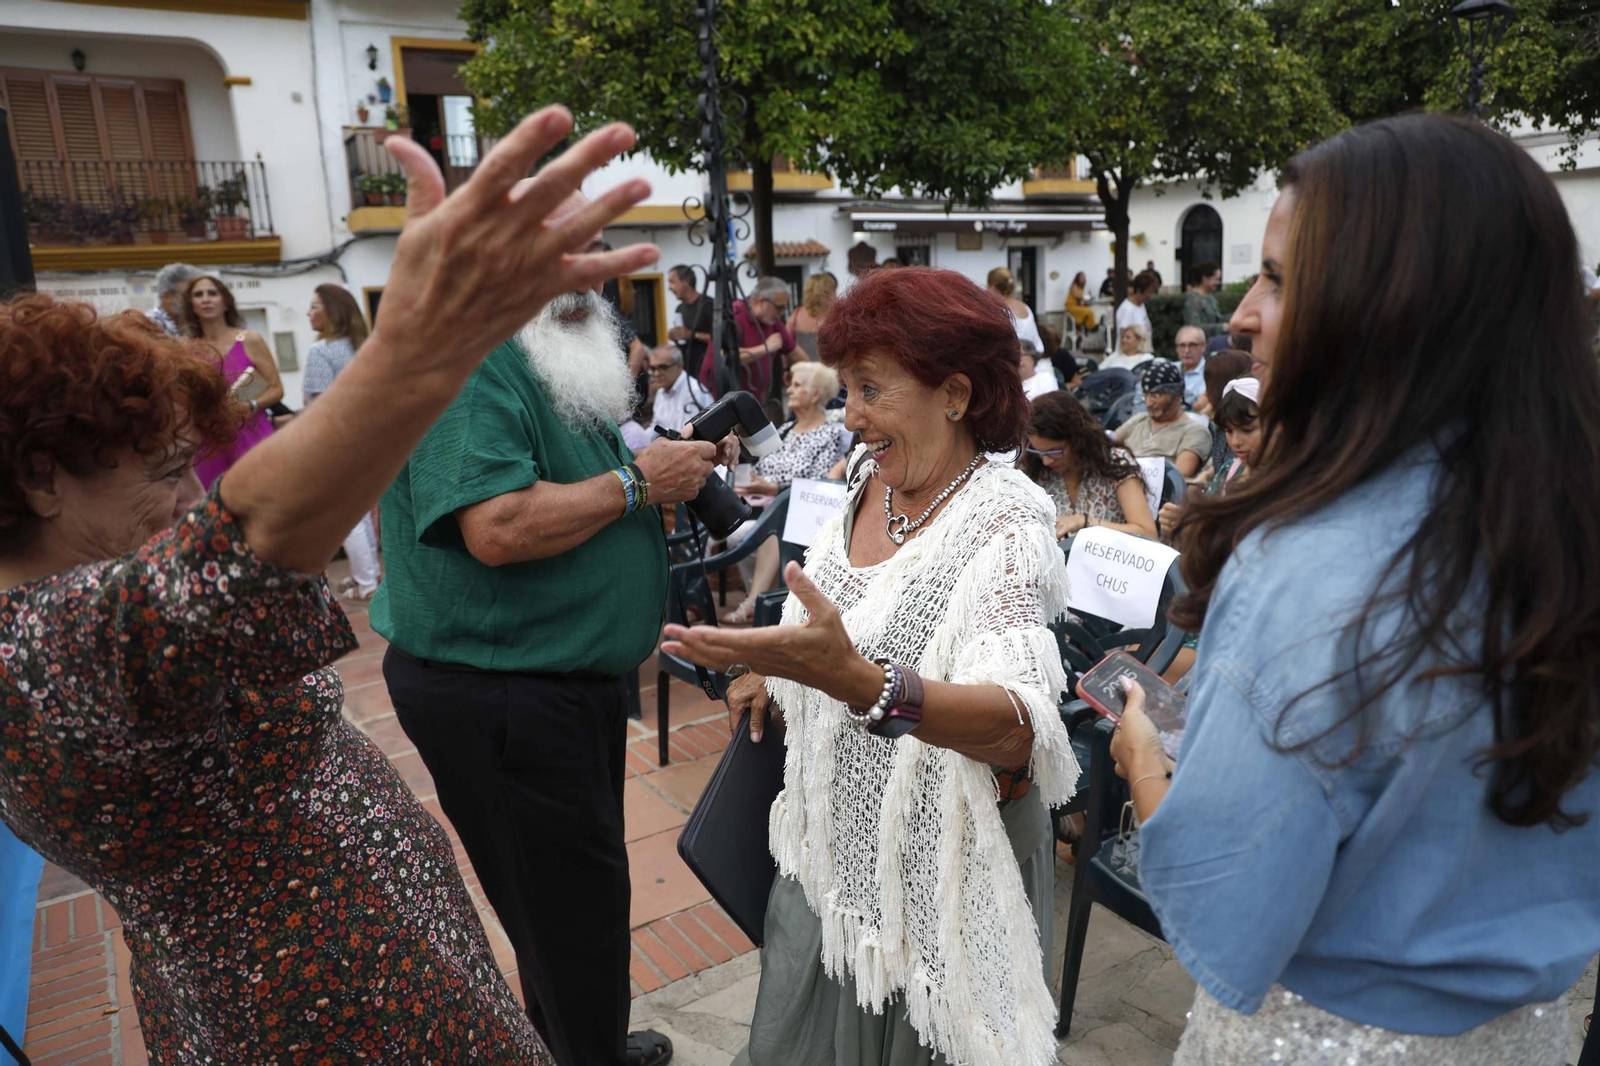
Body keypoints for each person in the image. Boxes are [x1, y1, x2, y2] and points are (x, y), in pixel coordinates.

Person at [0, 104, 661, 1064]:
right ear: (39, 478)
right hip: (319, 1016)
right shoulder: (44, 651)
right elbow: (252, 534)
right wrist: (423, 347)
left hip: (384, 978)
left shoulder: (83, 612)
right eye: (165, 472)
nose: (190, 498)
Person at [1111, 113, 1600, 1066]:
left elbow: (1221, 912)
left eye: (1280, 279)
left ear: (1392, 307)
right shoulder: (1564, 526)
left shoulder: (1306, 569)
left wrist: (1142, 760)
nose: (1244, 314)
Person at [661, 266, 1079, 1066]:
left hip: (936, 881)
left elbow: (1018, 730)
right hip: (829, 853)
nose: (850, 416)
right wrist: (774, 671)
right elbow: (830, 621)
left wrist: (862, 684)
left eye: (870, 390)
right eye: (846, 389)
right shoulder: (868, 481)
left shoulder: (1006, 522)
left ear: (954, 394)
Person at [374, 180, 738, 1066]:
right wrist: (639, 485)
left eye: (594, 248)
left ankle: (580, 1043)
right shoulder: (473, 353)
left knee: (568, 903)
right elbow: (498, 526)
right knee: (569, 913)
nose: (588, 271)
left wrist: (647, 475)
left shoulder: (539, 345)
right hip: (503, 691)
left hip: (549, 678)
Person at [718, 361, 844, 624]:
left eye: (796, 385)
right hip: (764, 507)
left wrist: (774, 488)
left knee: (772, 530)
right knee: (736, 534)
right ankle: (765, 599)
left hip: (801, 513)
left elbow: (819, 484)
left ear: (815, 395)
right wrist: (758, 482)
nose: (789, 390)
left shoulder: (829, 433)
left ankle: (755, 601)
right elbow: (762, 467)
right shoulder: (785, 430)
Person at [303, 283, 382, 600]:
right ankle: (369, 573)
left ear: (332, 311)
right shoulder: (368, 346)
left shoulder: (321, 351)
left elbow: (321, 404)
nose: (308, 313)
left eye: (314, 306)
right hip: (371, 435)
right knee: (365, 510)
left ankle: (367, 583)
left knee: (348, 515)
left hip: (338, 439)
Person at [183, 275, 282, 489]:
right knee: (215, 503)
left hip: (251, 433)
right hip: (210, 442)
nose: (206, 299)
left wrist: (249, 405)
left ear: (225, 301)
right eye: (198, 295)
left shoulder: (250, 340)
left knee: (262, 494)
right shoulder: (188, 350)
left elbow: (276, 388)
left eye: (212, 293)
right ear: (191, 305)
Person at [1022, 391, 1156, 539]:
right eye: (1039, 451)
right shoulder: (1036, 470)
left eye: (1054, 451)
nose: (1046, 461)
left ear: (1077, 440)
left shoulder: (1115, 463)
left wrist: (1085, 522)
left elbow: (1147, 533)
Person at [699, 275, 794, 400]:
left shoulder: (771, 320)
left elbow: (793, 350)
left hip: (750, 398)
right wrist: (766, 347)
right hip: (720, 396)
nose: (782, 313)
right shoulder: (735, 314)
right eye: (779, 307)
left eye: (784, 308)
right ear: (761, 301)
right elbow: (727, 357)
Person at [1115, 360, 1209, 477]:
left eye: (1156, 396)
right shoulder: (1138, 420)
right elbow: (1106, 443)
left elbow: (1179, 477)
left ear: (1177, 395)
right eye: (1146, 395)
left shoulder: (1194, 431)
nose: (1149, 403)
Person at [647, 342, 714, 436]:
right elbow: (655, 428)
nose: (656, 373)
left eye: (663, 367)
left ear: (679, 366)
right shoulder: (661, 391)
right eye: (653, 368)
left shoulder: (695, 392)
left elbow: (696, 434)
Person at [667, 264, 713, 379]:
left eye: (672, 282)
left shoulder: (708, 305)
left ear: (686, 282)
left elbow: (720, 338)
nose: (669, 288)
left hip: (708, 371)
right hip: (688, 372)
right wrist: (674, 336)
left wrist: (692, 334)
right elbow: (683, 338)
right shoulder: (679, 309)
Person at [987, 266, 1044, 353]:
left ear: (993, 287)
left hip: (1014, 356)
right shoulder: (1025, 307)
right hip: (1033, 354)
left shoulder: (998, 310)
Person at [787, 271, 836, 362]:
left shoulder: (796, 315)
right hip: (827, 368)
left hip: (801, 368)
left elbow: (786, 344)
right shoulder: (834, 317)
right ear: (829, 292)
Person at [143, 261, 200, 338]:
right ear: (167, 297)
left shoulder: (190, 324)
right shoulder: (149, 323)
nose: (194, 300)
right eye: (188, 295)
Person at [1182, 261, 1227, 336]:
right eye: (1216, 279)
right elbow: (1194, 326)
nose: (1218, 283)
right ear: (1204, 279)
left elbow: (1217, 319)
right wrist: (1221, 328)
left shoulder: (1210, 297)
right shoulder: (1193, 299)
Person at [1114, 270, 1158, 336]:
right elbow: (1124, 337)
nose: (1151, 297)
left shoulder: (1141, 305)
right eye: (1149, 292)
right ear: (1139, 290)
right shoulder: (1127, 310)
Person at [1174, 324, 1207, 405]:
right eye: (1182, 345)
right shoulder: (1170, 370)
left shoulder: (1210, 372)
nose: (1187, 350)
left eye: (1192, 345)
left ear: (1203, 346)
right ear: (1177, 348)